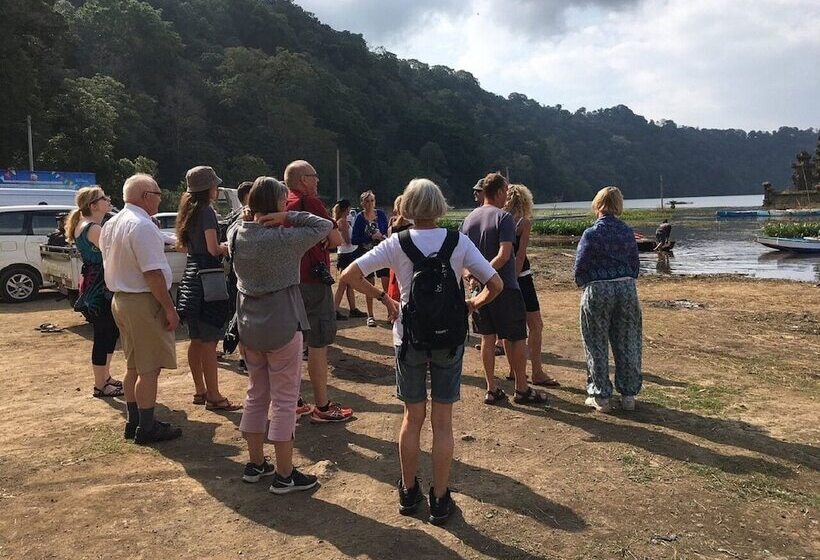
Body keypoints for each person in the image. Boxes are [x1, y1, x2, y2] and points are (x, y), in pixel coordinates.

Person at [340, 178, 502, 525]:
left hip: (408, 338)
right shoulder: (458, 241)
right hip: (448, 340)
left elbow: (349, 274)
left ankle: (408, 490)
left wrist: (385, 299)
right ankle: (440, 499)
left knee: (412, 418)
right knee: (443, 423)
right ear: (440, 206)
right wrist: (472, 305)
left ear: (408, 207)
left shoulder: (396, 243)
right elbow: (496, 283)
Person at [229, 176, 332, 493]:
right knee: (285, 401)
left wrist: (255, 213)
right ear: (277, 205)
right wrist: (288, 216)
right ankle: (285, 474)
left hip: (249, 323)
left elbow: (237, 222)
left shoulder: (236, 234)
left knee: (256, 394)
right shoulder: (285, 238)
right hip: (283, 321)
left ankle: (255, 463)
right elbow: (324, 226)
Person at [100, 174, 181, 444]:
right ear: (146, 196)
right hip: (142, 301)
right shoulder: (142, 225)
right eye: (158, 194)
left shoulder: (112, 223)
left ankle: (134, 421)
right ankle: (147, 427)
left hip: (121, 299)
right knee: (149, 368)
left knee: (134, 365)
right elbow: (153, 274)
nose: (160, 199)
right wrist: (169, 308)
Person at [461, 172, 547, 406]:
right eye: (506, 192)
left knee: (487, 338)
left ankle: (491, 388)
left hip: (479, 291)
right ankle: (521, 388)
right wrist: (485, 274)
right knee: (516, 337)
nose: (506, 197)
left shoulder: (468, 219)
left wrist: (472, 275)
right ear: (499, 192)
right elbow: (504, 254)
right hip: (505, 287)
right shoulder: (504, 218)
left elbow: (462, 258)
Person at [283, 160, 353, 423]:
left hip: (288, 281)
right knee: (317, 343)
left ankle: (293, 401)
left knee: (291, 344)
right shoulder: (309, 203)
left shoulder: (282, 202)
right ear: (303, 179)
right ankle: (322, 406)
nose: (318, 180)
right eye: (314, 176)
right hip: (312, 280)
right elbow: (336, 239)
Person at [176, 166, 240, 411]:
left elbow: (186, 246)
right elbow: (213, 249)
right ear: (209, 188)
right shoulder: (207, 212)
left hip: (191, 277)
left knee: (195, 339)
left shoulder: (188, 211)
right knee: (210, 342)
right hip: (208, 278)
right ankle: (214, 395)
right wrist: (228, 246)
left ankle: (200, 390)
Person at [574, 186, 642, 412]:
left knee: (596, 342)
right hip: (625, 288)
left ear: (597, 204)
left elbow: (580, 266)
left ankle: (601, 395)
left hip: (598, 289)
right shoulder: (627, 232)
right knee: (628, 340)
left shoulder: (591, 233)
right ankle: (629, 395)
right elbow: (635, 264)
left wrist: (586, 283)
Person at [65, 186, 123, 398]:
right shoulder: (93, 228)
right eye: (103, 198)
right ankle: (100, 384)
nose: (108, 200)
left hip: (94, 285)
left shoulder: (85, 224)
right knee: (103, 334)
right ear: (94, 205)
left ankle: (105, 377)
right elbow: (113, 254)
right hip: (99, 289)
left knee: (109, 332)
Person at [503, 184, 561, 387]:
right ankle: (537, 372)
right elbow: (520, 256)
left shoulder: (499, 220)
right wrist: (514, 281)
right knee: (536, 325)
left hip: (502, 277)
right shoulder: (523, 223)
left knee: (510, 327)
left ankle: (513, 370)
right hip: (521, 278)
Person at [351, 190, 389, 327]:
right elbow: (354, 239)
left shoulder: (381, 215)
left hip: (382, 252)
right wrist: (370, 237)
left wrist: (382, 235)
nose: (370, 204)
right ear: (362, 203)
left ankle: (390, 312)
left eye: (372, 200)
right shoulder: (359, 218)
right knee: (369, 284)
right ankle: (370, 315)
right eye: (367, 201)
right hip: (366, 253)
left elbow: (387, 230)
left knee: (386, 281)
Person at [331, 199, 365, 320]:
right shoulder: (343, 222)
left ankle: (352, 309)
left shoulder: (340, 221)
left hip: (345, 254)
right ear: (346, 209)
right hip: (347, 255)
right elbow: (347, 240)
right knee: (343, 284)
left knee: (349, 285)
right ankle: (334, 310)